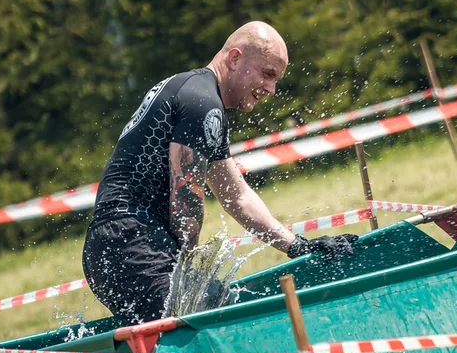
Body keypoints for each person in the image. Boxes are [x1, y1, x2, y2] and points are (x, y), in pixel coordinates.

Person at [83, 21, 358, 324]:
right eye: (267, 73)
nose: (271, 89)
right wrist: (187, 263)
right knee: (214, 329)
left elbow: (236, 196)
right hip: (134, 244)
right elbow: (185, 204)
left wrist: (297, 245)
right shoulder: (203, 103)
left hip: (118, 245)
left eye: (277, 79)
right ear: (235, 58)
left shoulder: (194, 92)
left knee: (216, 320)